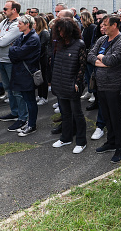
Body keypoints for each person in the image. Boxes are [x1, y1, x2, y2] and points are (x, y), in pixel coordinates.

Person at [87, 14, 121, 163]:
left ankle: (120, 148)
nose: (103, 27)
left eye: (106, 24)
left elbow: (112, 60)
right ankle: (111, 142)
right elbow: (90, 56)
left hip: (114, 86)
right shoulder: (102, 39)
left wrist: (101, 58)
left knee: (116, 118)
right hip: (100, 85)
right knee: (106, 116)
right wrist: (101, 61)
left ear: (115, 26)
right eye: (102, 24)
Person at [50, 17, 87, 153]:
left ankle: (81, 141)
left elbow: (82, 66)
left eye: (63, 31)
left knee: (77, 114)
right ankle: (65, 138)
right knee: (65, 114)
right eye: (58, 31)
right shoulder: (58, 44)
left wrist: (77, 82)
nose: (60, 34)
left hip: (72, 85)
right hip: (60, 84)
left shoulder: (79, 44)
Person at [0, 1, 25, 132]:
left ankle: (23, 117)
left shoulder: (18, 23)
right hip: (1, 59)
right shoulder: (5, 22)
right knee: (8, 88)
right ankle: (15, 112)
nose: (3, 10)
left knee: (17, 90)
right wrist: (0, 37)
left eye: (6, 8)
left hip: (11, 61)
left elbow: (2, 42)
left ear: (14, 10)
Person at [9, 15, 41, 137]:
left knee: (30, 100)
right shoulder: (23, 36)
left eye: (20, 23)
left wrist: (14, 50)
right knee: (27, 99)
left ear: (27, 24)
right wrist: (15, 51)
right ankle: (29, 123)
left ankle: (32, 125)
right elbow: (13, 51)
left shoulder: (33, 38)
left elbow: (18, 52)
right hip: (21, 72)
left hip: (27, 73)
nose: (18, 25)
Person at [80, 11, 96, 101]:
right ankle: (89, 91)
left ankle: (93, 92)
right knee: (86, 73)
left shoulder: (92, 27)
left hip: (89, 53)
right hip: (84, 54)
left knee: (91, 74)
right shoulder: (84, 28)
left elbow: (91, 42)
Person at [34, 16, 50, 106]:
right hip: (39, 58)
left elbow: (42, 46)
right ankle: (40, 95)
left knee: (43, 77)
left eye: (35, 23)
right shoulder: (37, 33)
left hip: (43, 59)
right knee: (39, 77)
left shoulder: (44, 33)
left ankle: (44, 97)